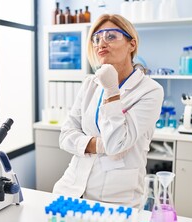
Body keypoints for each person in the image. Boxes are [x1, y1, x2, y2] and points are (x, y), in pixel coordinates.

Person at [52, 14, 164, 207]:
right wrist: (100, 146)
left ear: (132, 44)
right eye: (96, 38)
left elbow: (117, 144)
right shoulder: (90, 83)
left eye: (111, 36)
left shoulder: (150, 91)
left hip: (116, 198)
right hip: (71, 188)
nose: (101, 42)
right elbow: (65, 136)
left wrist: (112, 92)